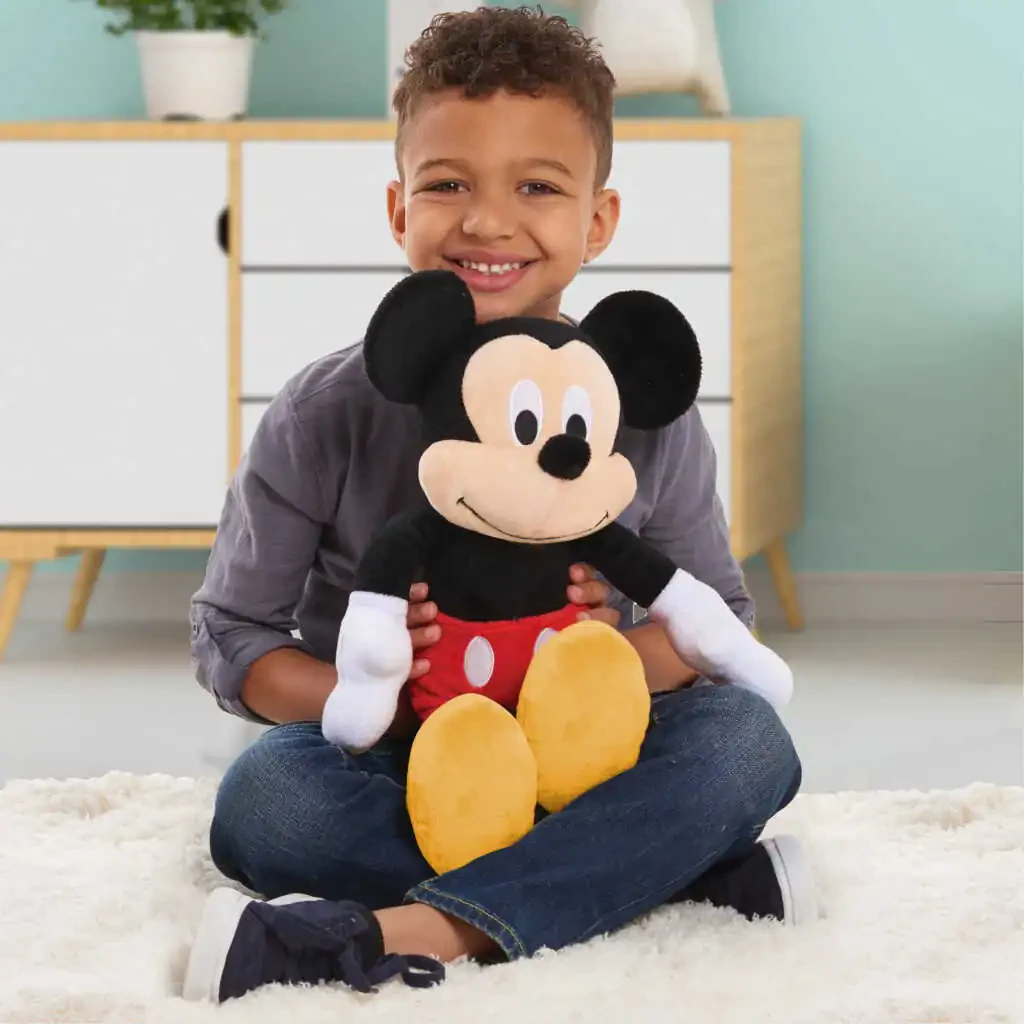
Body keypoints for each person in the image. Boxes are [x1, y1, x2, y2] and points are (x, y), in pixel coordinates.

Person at [183, 4, 815, 1005]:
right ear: (398, 210)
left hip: (585, 753)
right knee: (266, 805)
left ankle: (409, 931)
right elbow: (234, 638)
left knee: (748, 743)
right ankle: (662, 878)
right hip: (402, 755)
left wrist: (613, 654)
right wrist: (375, 693)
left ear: (596, 221)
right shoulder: (325, 410)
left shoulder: (642, 416)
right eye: (446, 184)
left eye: (537, 186)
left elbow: (716, 625)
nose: (485, 221)